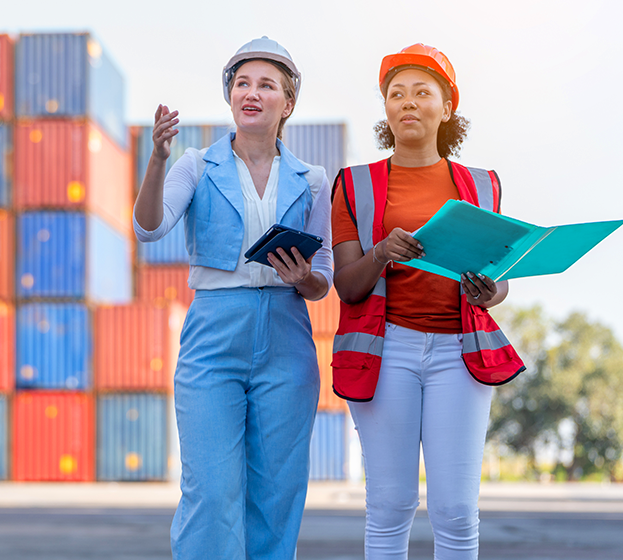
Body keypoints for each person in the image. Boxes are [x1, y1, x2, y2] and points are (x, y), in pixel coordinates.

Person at [132, 37, 333, 560]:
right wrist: (157, 159)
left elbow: (324, 278)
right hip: (213, 339)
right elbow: (148, 228)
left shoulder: (313, 182)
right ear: (229, 97)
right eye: (242, 83)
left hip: (288, 340)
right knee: (211, 491)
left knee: (277, 495)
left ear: (287, 103)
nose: (252, 92)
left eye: (267, 84)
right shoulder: (195, 165)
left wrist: (303, 278)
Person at [331, 44, 522, 559]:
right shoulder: (353, 184)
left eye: (422, 92)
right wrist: (380, 253)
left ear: (447, 107)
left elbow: (500, 280)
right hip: (385, 351)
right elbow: (347, 287)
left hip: (459, 354)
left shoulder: (483, 185)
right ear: (387, 109)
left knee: (457, 513)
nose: (407, 102)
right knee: (390, 506)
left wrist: (490, 291)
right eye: (396, 94)